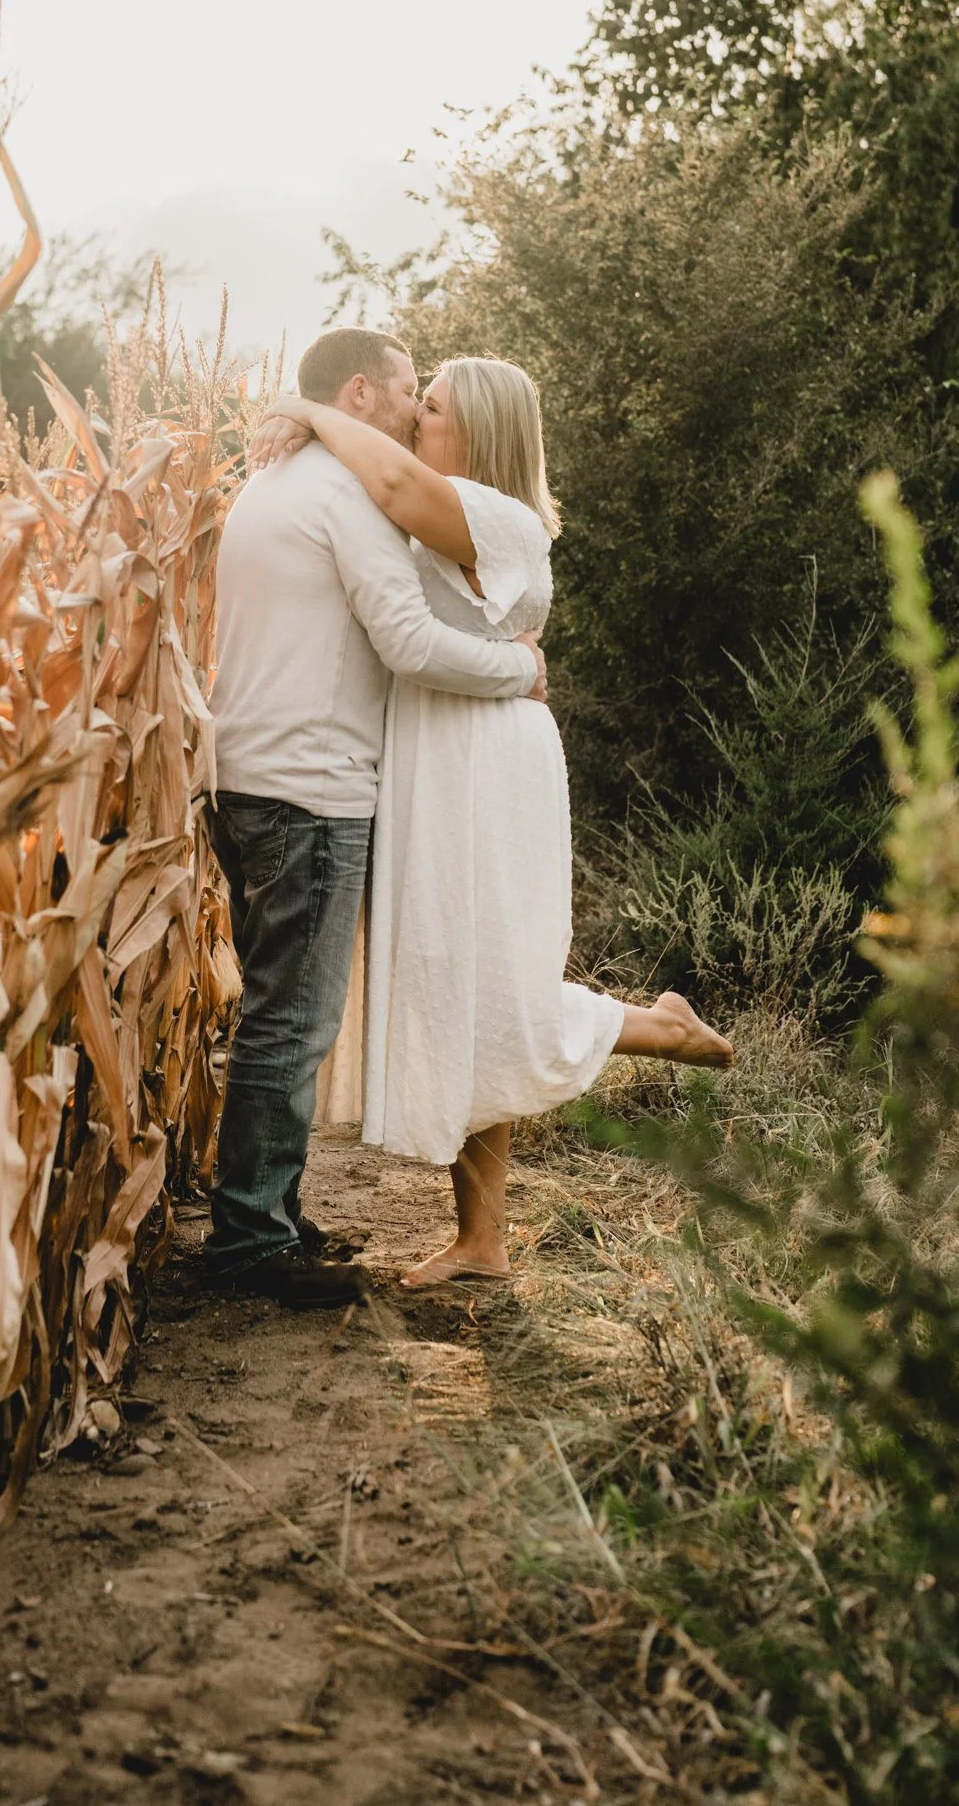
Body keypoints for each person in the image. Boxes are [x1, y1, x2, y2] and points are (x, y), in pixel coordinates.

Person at [266, 355, 732, 1290]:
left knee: (477, 985)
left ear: (470, 430)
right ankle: (481, 1242)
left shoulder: (496, 514)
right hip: (440, 754)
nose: (412, 420)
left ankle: (657, 1031)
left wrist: (305, 408)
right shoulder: (455, 508)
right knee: (452, 981)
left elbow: (392, 480)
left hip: (481, 760)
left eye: (428, 408)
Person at [205, 328, 548, 1309]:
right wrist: (519, 670)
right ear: (360, 393)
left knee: (279, 1012)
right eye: (406, 393)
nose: (410, 413)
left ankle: (263, 1212)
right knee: (291, 1023)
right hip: (307, 788)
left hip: (253, 778)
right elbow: (404, 640)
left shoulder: (273, 483)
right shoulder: (341, 492)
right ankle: (247, 1244)